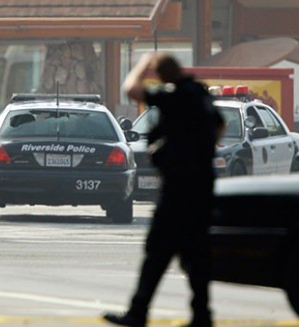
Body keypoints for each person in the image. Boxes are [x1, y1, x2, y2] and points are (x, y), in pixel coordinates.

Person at [103, 52, 224, 327]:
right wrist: (196, 146)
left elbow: (130, 89)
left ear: (161, 75)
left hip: (179, 188)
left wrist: (144, 63)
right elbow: (219, 125)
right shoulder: (199, 93)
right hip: (202, 186)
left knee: (157, 251)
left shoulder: (177, 96)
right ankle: (202, 316)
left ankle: (138, 311)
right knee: (196, 254)